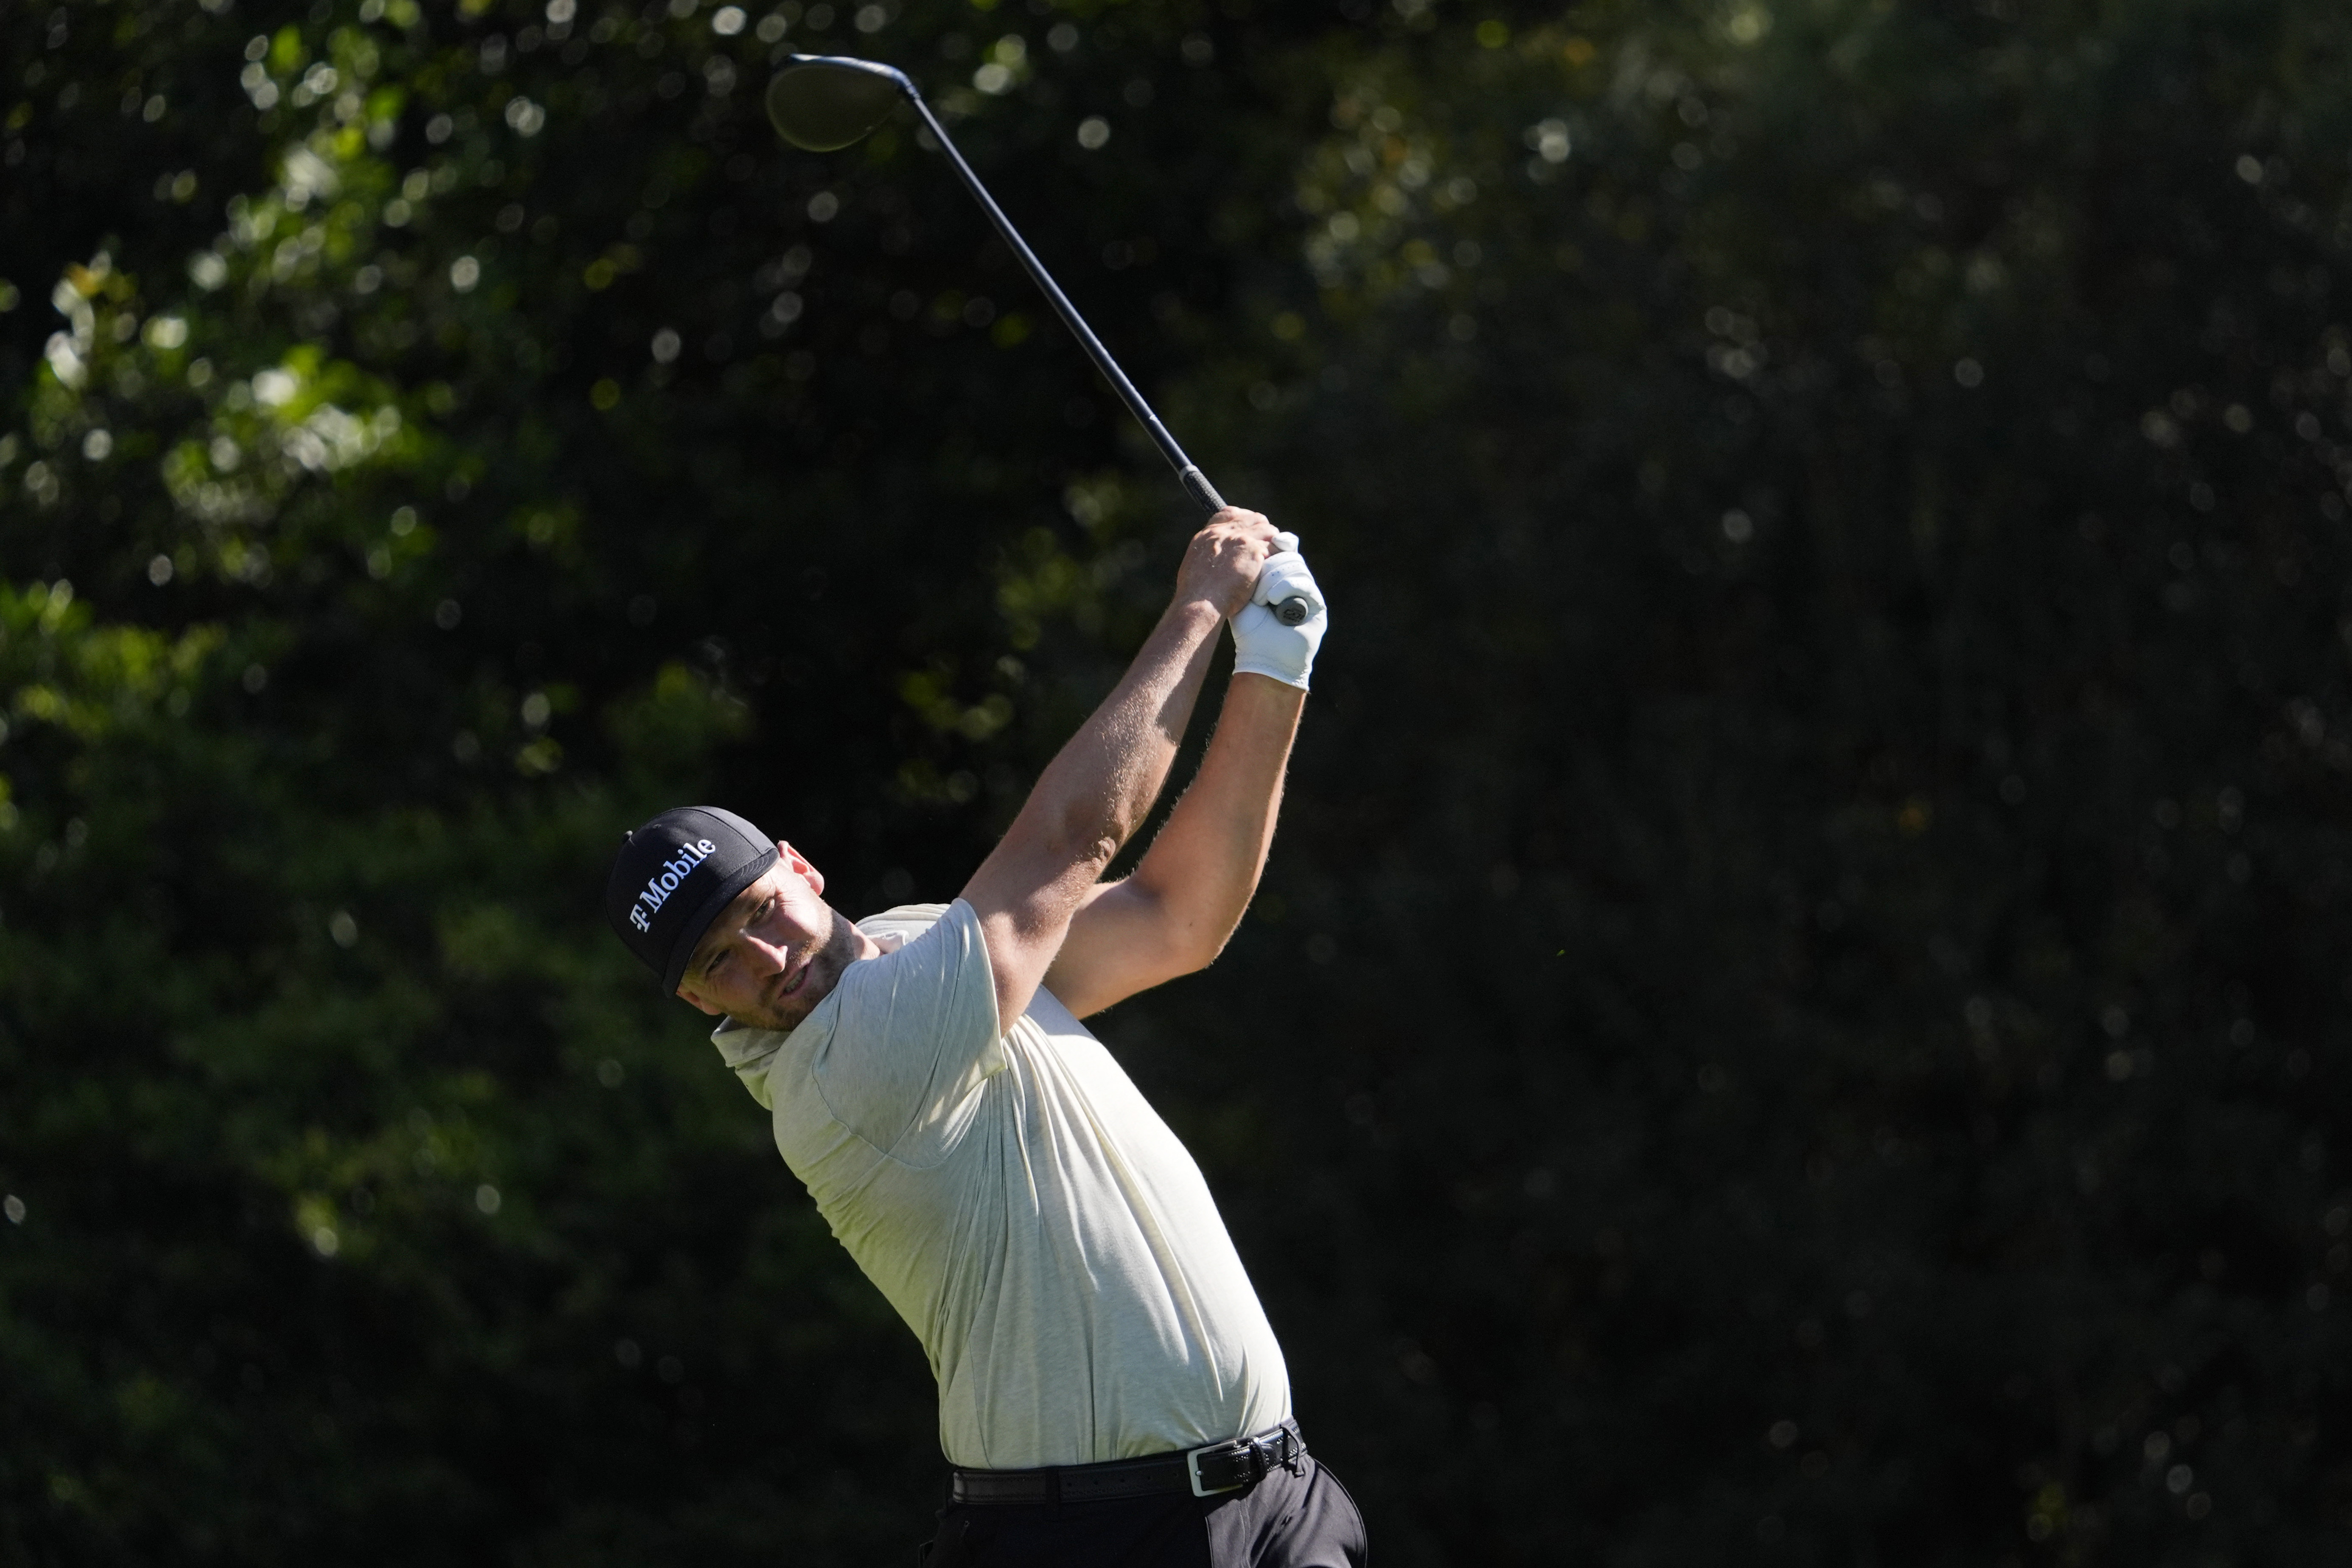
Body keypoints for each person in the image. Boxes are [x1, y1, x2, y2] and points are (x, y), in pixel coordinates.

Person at [603, 510, 1365, 1566]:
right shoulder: (845, 1067)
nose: (769, 959)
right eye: (721, 961)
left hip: (1275, 1498)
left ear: (802, 867)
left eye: (761, 909)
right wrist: (1201, 608)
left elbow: (1174, 916)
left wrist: (1275, 666)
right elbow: (1070, 838)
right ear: (696, 1005)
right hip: (1089, 1536)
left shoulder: (920, 948)